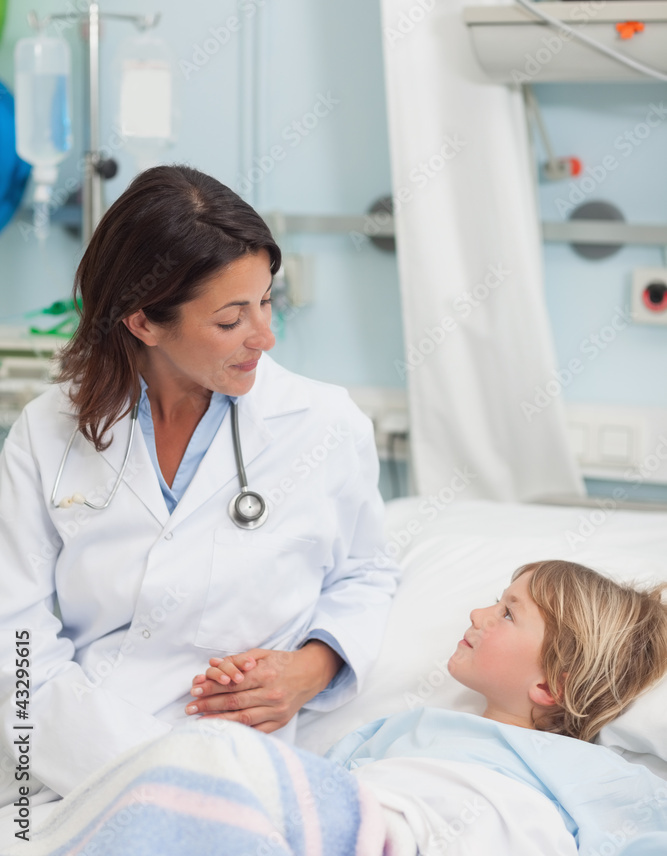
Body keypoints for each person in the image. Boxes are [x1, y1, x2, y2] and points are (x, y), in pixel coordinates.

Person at [0, 165, 399, 811]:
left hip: (244, 759)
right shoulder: (49, 433)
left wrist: (311, 668)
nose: (264, 338)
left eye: (267, 301)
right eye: (230, 319)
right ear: (142, 322)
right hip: (69, 758)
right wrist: (150, 771)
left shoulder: (323, 425)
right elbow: (11, 639)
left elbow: (365, 574)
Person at [6, 559, 667, 855]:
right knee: (216, 765)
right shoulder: (400, 729)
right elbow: (316, 793)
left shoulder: (586, 772)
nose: (476, 612)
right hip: (353, 827)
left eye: (506, 612)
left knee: (213, 757)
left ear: (548, 685)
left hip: (420, 838)